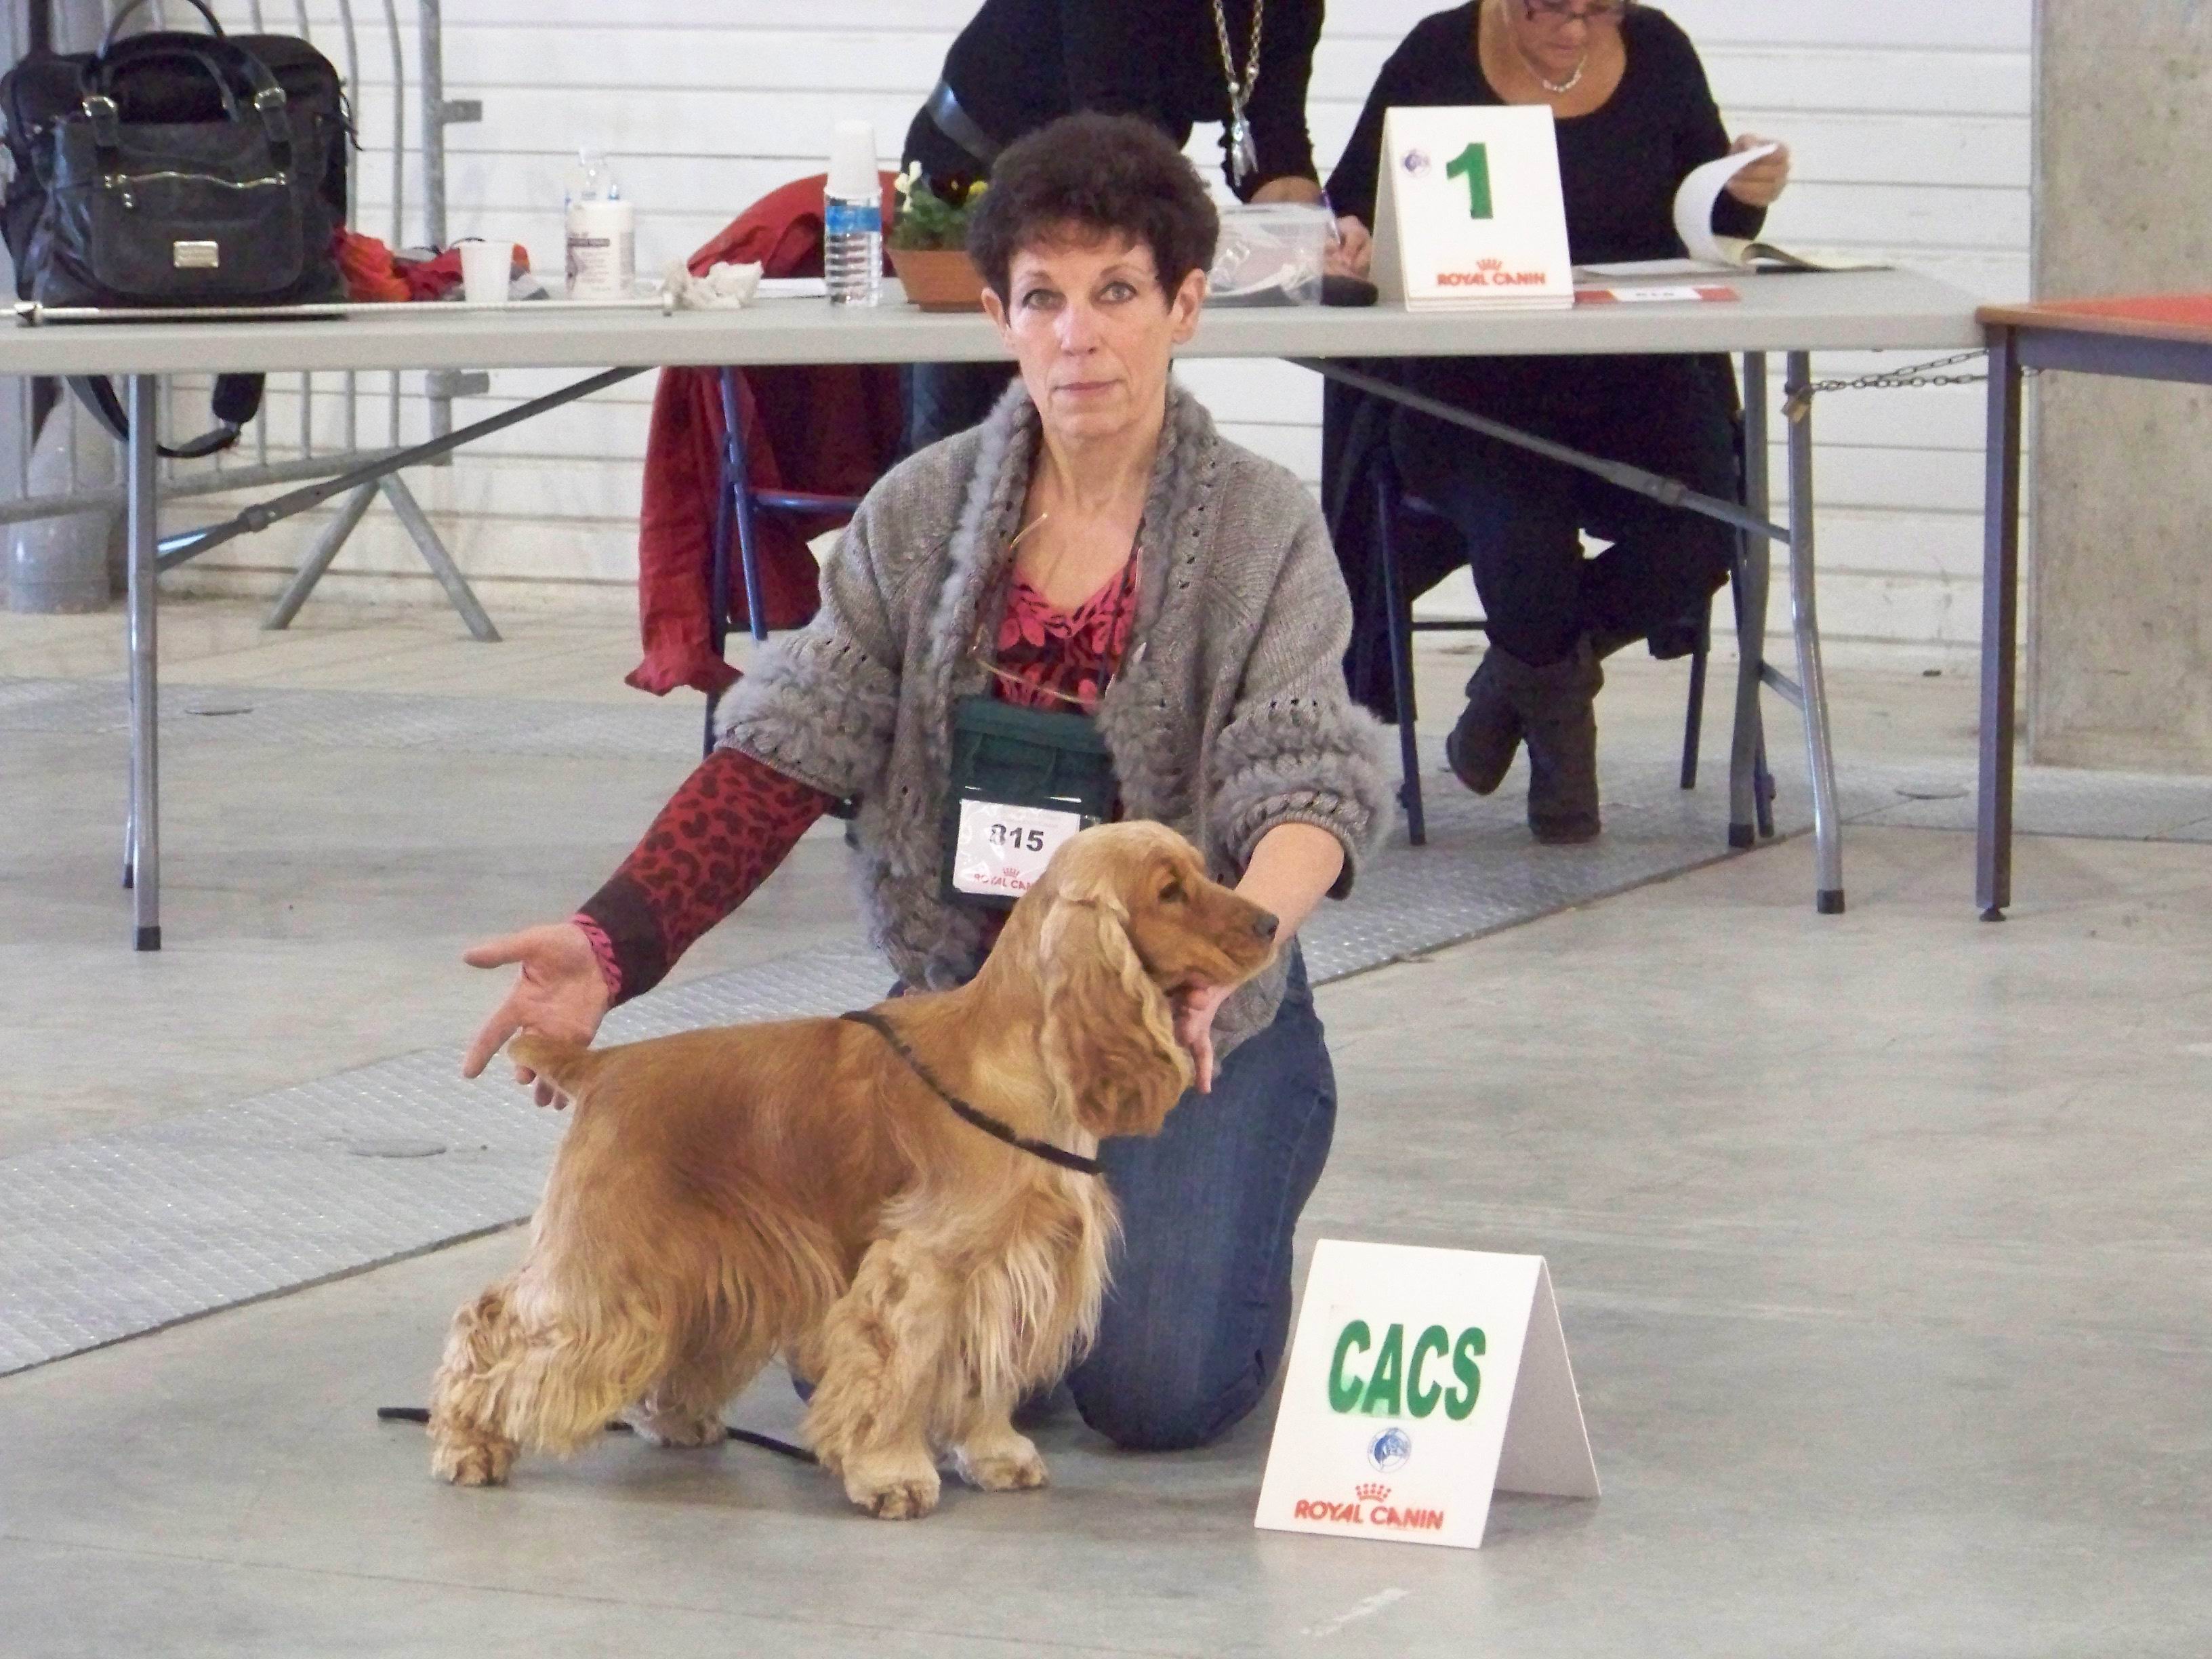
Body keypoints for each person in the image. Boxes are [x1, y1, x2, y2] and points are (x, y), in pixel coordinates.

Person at [461, 113, 1391, 1454]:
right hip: (965, 1020)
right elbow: (784, 748)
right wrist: (614, 940)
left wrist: (1231, 961)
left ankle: (1201, 1208)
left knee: (1157, 1389)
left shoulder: (1263, 527)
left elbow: (1305, 786)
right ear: (999, 315)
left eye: (1117, 293)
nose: (1079, 336)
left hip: (1184, 1018)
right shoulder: (917, 510)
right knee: (882, 1361)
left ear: (1184, 307)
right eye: (1043, 298)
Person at [1326, 0, 1790, 844]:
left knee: (1709, 526)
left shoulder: (1658, 50)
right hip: (1470, 388)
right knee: (1523, 535)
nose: (1576, 29)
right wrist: (1350, 242)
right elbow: (1350, 206)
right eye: (1552, 8)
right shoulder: (1438, 54)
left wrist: (1745, 191)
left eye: (1597, 9)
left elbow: (1710, 224)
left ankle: (1512, 691)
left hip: (1633, 379)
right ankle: (1565, 778)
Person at [900, 0, 1332, 453]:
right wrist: (1235, 246)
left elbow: (1275, 140)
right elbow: (1116, 132)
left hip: (1113, 183)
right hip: (969, 173)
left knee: (1118, 424)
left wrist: (1310, 246)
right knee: (959, 437)